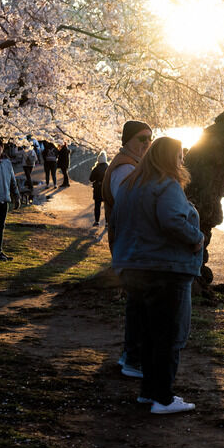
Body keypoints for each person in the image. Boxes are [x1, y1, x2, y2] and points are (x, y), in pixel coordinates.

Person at [111, 137, 203, 415]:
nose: (181, 162)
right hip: (165, 268)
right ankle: (162, 397)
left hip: (134, 267)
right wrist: (196, 238)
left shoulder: (129, 186)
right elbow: (172, 219)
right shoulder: (167, 184)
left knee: (149, 334)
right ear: (168, 158)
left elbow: (116, 224)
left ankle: (149, 392)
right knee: (169, 334)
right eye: (179, 156)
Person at [102, 120, 153, 379]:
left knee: (138, 303)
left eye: (150, 138)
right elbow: (130, 208)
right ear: (128, 140)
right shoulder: (124, 169)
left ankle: (130, 356)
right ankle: (133, 359)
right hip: (131, 244)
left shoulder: (130, 165)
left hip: (130, 243)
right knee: (139, 303)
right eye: (142, 138)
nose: (147, 143)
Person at [88, 152, 109, 226]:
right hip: (106, 188)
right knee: (107, 206)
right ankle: (107, 222)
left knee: (97, 205)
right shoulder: (109, 167)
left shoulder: (96, 168)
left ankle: (97, 221)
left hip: (97, 188)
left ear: (99, 160)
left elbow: (91, 179)